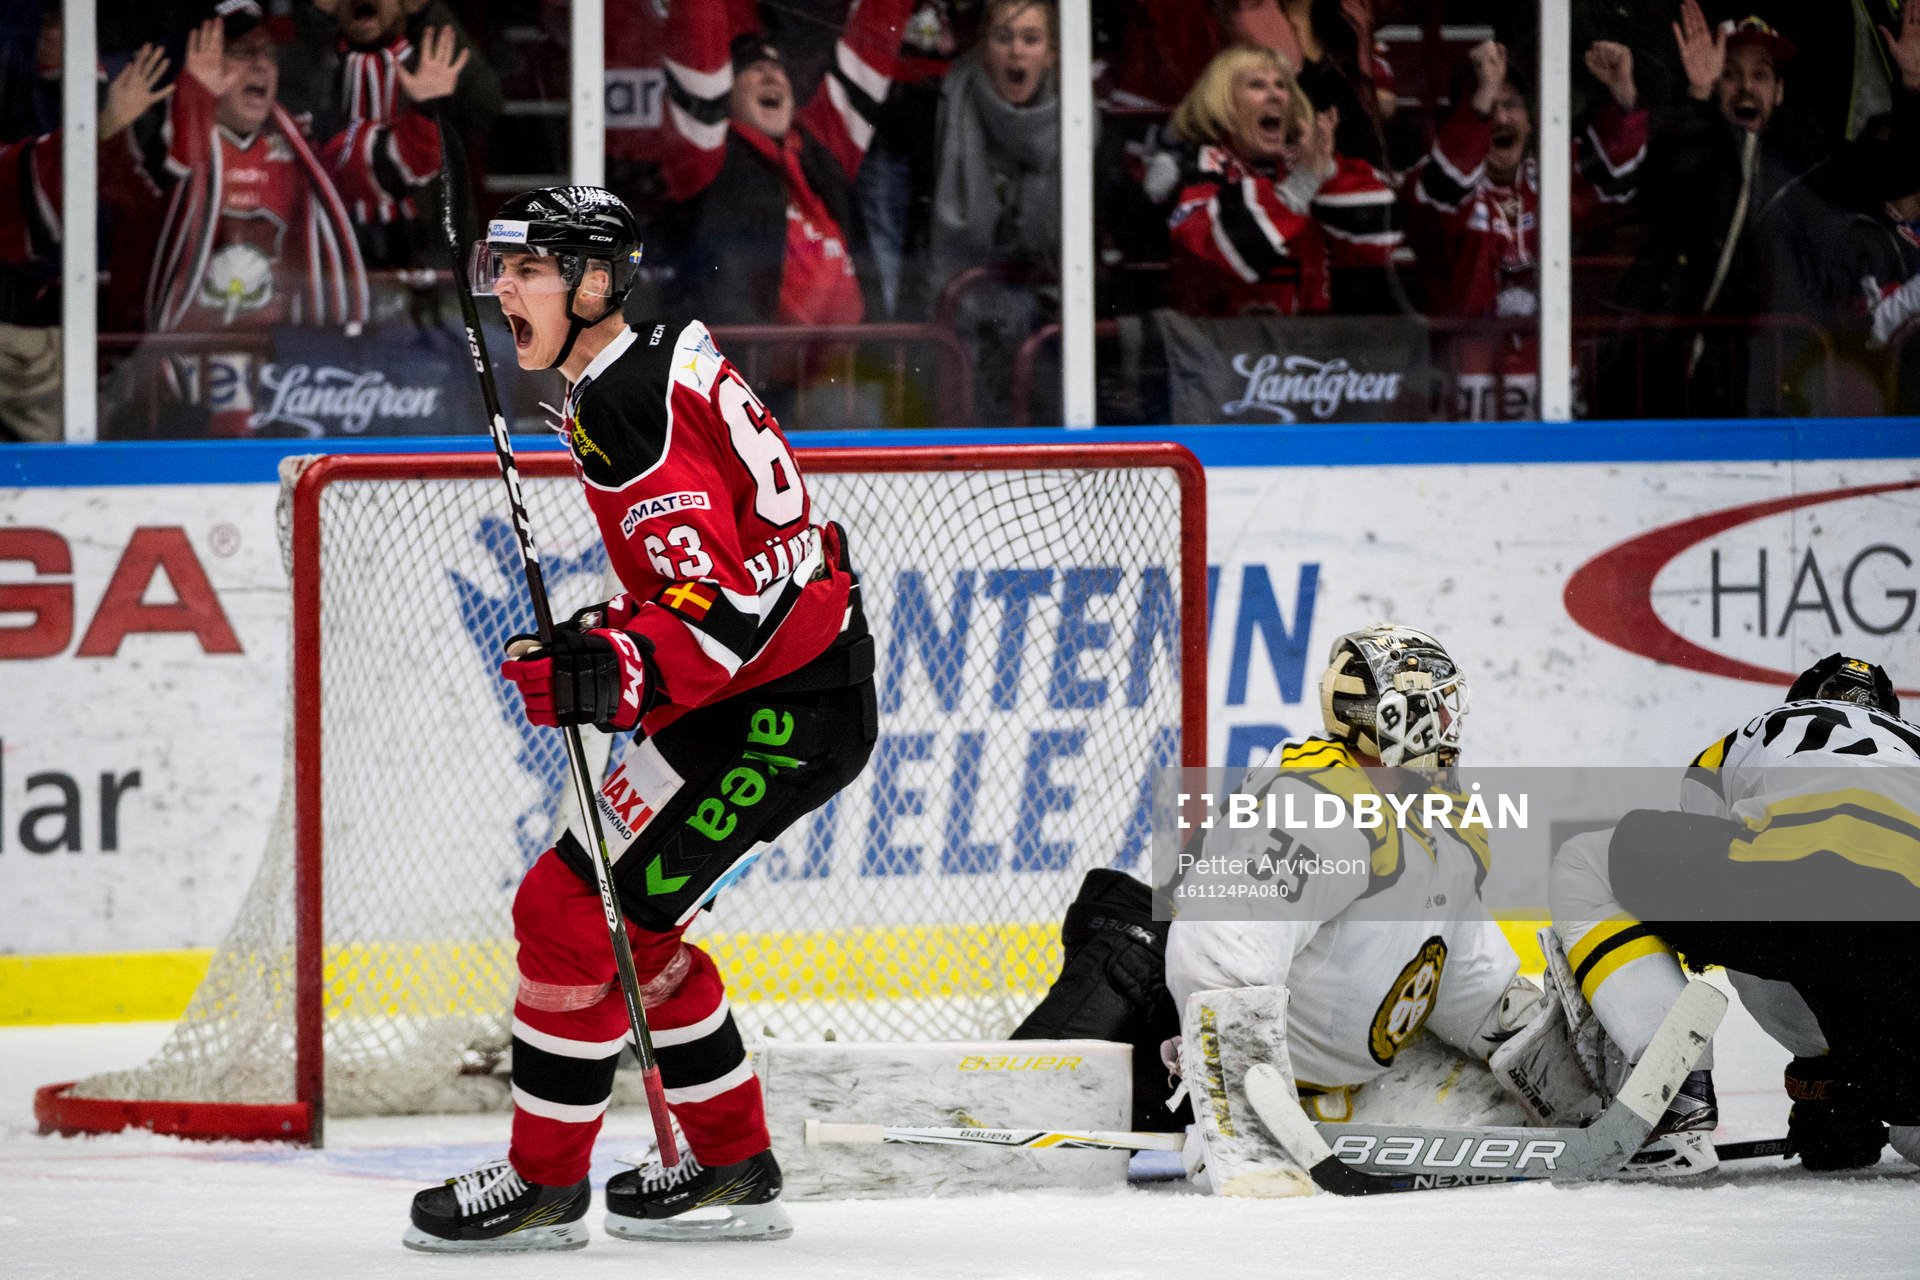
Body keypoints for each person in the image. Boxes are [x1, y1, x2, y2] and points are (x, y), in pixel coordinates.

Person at [402, 185, 877, 1252]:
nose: (505, 288)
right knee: (595, 915)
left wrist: (615, 666)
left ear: (599, 282)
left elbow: (736, 607)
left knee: (582, 916)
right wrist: (605, 633)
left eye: (531, 269)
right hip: (755, 689)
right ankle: (730, 1161)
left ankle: (545, 1185)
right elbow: (712, 576)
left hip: (783, 713)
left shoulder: (626, 404)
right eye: (503, 269)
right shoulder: (629, 368)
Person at [1162, 626, 1539, 1148]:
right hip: (1256, 1081)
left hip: (1351, 1080)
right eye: (1439, 707)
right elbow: (1221, 958)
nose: (1454, 723)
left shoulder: (1432, 815)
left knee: (1514, 1118)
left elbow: (1456, 973)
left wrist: (1526, 1033)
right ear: (1391, 719)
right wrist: (1244, 1118)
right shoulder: (1317, 806)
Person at [1549, 654, 1920, 1174]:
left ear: (1800, 697)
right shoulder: (1914, 742)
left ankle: (1677, 1091)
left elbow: (1707, 830)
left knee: (1585, 860)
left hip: (1779, 883)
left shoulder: (1757, 730)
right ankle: (1884, 1102)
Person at [1406, 39, 1647, 419]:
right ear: (1458, 122)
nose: (1500, 118)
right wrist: (1478, 106)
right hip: (1462, 389)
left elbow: (1614, 181)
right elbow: (1441, 198)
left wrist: (1622, 97)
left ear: (1532, 121)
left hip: (1549, 381)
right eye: (1486, 105)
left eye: (1512, 104)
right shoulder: (1427, 181)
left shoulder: (1550, 177)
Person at [1608, 4, 1815, 416]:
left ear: (1779, 91)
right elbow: (1669, 171)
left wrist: (1914, 86)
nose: (1745, 88)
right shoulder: (1691, 146)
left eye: (1760, 75)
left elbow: (1889, 175)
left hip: (1773, 385)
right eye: (1730, 73)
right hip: (1675, 383)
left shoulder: (1805, 166)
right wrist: (1699, 94)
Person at [654, 0, 913, 326]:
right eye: (753, 69)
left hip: (850, 371)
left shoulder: (821, 146)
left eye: (777, 69)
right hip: (749, 372)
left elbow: (873, 39)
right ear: (726, 93)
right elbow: (698, 50)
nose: (771, 76)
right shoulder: (707, 157)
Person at [1154, 43, 1399, 317]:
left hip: (1309, 347)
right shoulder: (1193, 167)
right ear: (1222, 102)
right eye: (1257, 85)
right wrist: (1301, 186)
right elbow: (1228, 252)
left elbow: (1380, 237)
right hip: (1220, 347)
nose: (1276, 96)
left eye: (1282, 85)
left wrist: (1326, 172)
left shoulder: (1304, 162)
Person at [282, 0, 501, 269]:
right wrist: (317, 18)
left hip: (427, 248)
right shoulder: (314, 63)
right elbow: (291, 88)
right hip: (333, 250)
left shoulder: (428, 58)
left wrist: (426, 14)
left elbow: (486, 106)